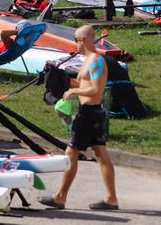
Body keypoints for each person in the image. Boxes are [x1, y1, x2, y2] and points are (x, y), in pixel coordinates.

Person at [39, 25, 118, 211]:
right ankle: (111, 199)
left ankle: (60, 197)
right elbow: (84, 83)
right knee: (101, 155)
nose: (75, 43)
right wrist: (61, 78)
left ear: (83, 40)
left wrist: (73, 90)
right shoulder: (88, 60)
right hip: (93, 112)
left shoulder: (96, 61)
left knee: (71, 153)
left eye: (76, 39)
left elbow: (96, 89)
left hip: (89, 114)